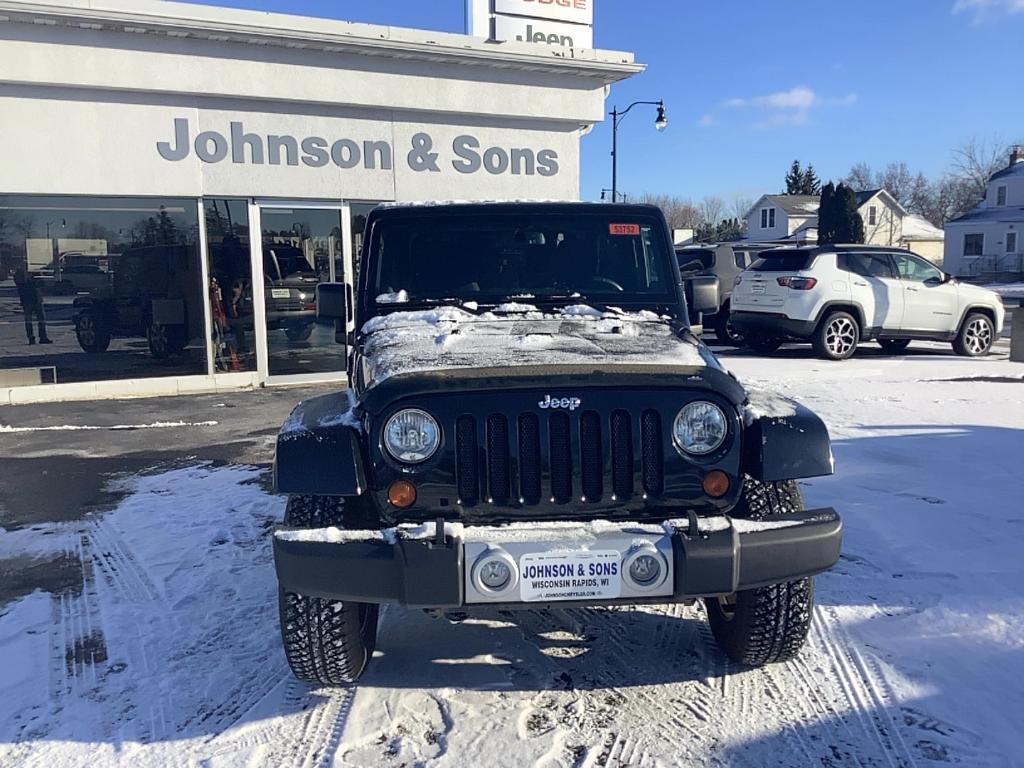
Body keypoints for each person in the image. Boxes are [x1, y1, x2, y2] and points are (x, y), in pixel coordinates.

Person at [12, 267, 52, 345]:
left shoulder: (36, 271)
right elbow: (18, 282)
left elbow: (41, 283)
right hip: (27, 299)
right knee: (29, 320)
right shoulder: (20, 272)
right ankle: (31, 338)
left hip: (36, 298)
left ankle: (42, 337)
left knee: (41, 319)